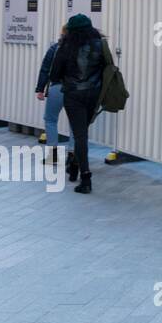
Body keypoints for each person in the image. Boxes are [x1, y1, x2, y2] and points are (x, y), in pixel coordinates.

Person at [47, 13, 106, 194]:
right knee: (82, 133)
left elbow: (54, 74)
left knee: (80, 135)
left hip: (73, 95)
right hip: (94, 94)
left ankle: (85, 177)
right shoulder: (100, 44)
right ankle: (74, 164)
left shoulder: (66, 46)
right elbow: (107, 69)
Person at [34, 26, 66, 164]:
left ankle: (52, 155)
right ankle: (73, 155)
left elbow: (45, 69)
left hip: (57, 87)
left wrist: (40, 89)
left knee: (50, 119)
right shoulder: (83, 49)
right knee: (75, 123)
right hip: (77, 90)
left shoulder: (55, 48)